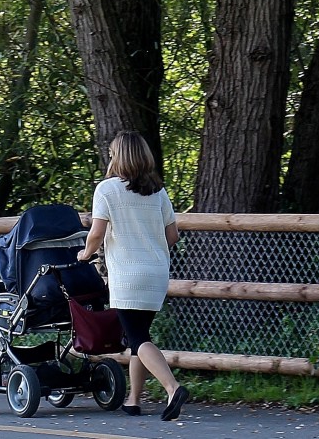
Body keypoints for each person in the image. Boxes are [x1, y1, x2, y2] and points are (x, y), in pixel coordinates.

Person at [77, 130, 189, 421]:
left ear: (120, 156)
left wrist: (85, 254)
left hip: (127, 275)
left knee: (137, 338)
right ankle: (134, 400)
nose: (111, 157)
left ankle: (172, 388)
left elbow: (97, 233)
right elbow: (173, 235)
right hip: (156, 273)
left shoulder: (107, 190)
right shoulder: (157, 191)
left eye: (113, 153)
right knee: (139, 336)